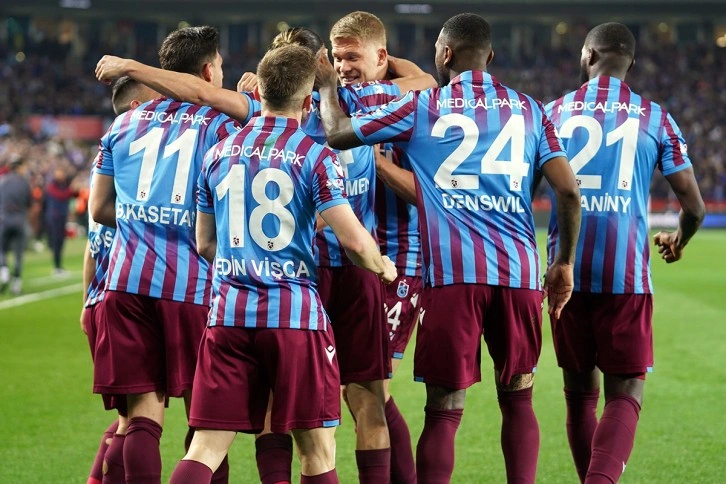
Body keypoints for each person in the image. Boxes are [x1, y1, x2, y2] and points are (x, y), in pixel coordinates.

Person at [95, 19, 435, 484]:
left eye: (349, 57)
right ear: (312, 79)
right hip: (313, 286)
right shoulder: (359, 107)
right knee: (333, 425)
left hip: (245, 295)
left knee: (239, 426)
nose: (342, 65)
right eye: (336, 59)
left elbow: (205, 239)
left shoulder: (228, 143)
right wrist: (380, 263)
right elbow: (426, 80)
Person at [315, 12, 582, 483]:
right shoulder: (531, 110)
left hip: (452, 276)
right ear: (490, 56)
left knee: (443, 410)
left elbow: (337, 134)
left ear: (444, 54)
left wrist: (327, 87)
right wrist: (563, 262)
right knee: (518, 398)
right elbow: (568, 191)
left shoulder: (423, 105)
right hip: (519, 274)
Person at [167, 43, 397, 484]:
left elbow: (204, 242)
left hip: (228, 316)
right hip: (294, 317)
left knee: (206, 446)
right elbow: (354, 241)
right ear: (309, 102)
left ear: (260, 92)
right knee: (317, 449)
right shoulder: (315, 156)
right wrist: (382, 266)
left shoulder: (217, 153)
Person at [543, 23, 706, 483]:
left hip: (566, 269)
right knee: (626, 391)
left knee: (579, 393)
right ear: (630, 63)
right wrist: (679, 240)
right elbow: (694, 207)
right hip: (625, 274)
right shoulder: (655, 117)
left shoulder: (551, 113)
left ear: (588, 55)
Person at [89, 26, 240, 483]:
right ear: (208, 71)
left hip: (125, 283)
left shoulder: (123, 123)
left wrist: (144, 217)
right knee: (207, 425)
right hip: (191, 288)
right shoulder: (223, 126)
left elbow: (99, 209)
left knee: (141, 419)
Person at [82, 76, 159, 484]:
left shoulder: (107, 166)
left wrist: (85, 302)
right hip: (129, 298)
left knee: (130, 417)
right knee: (139, 417)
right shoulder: (146, 168)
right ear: (135, 109)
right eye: (156, 102)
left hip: (102, 300)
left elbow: (90, 244)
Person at [0, 156, 31, 295]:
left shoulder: (2, 181)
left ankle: (4, 270)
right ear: (18, 167)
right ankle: (16, 284)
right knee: (18, 253)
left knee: (2, 249)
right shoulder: (24, 183)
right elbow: (29, 203)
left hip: (4, 220)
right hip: (19, 220)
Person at [44, 166, 77, 275]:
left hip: (61, 217)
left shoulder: (64, 185)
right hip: (54, 218)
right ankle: (57, 266)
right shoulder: (52, 186)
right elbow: (61, 195)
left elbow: (73, 194)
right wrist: (70, 190)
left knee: (60, 242)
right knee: (56, 241)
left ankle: (58, 266)